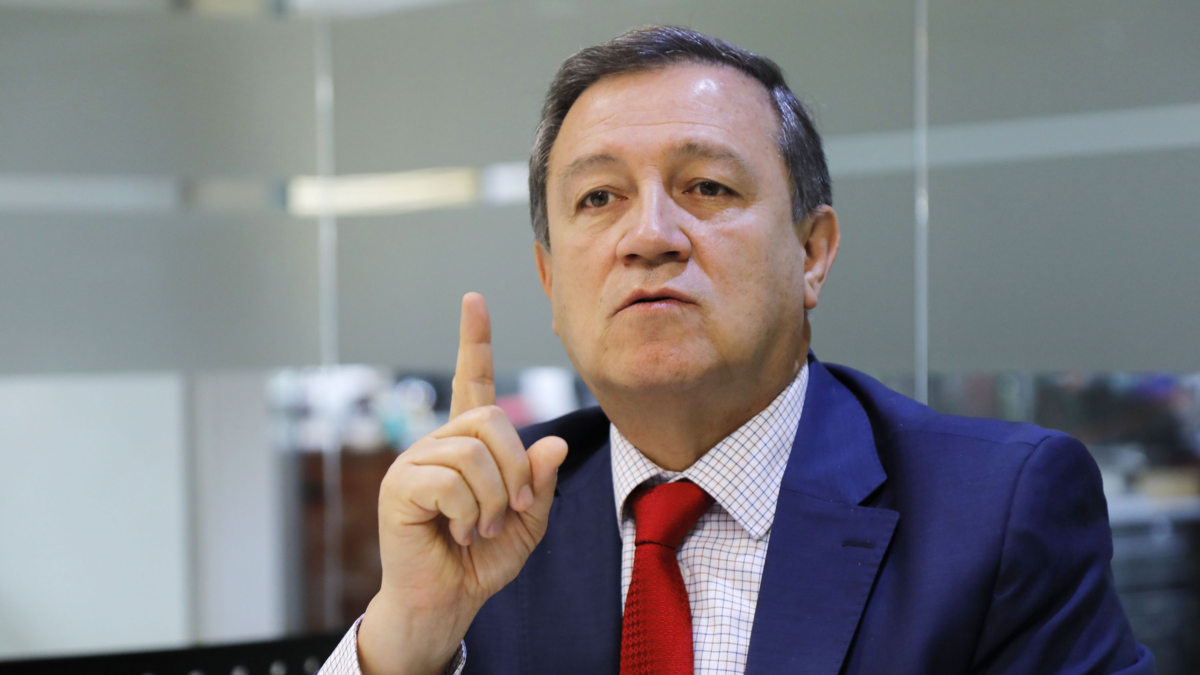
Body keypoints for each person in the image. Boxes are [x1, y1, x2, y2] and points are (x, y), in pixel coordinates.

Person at [322, 25, 1154, 675]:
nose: (649, 235)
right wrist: (408, 635)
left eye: (708, 187)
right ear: (549, 279)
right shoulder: (494, 518)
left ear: (812, 252)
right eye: (600, 197)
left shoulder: (995, 511)